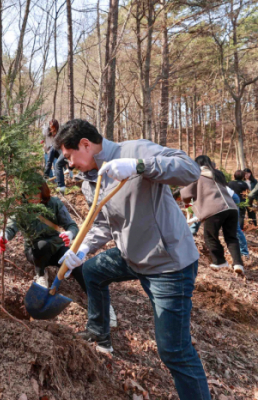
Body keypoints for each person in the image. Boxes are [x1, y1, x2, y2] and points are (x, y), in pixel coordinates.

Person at [52, 119, 210, 399]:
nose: (70, 164)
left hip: (167, 264)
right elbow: (101, 224)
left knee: (174, 351)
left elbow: (190, 169)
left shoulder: (135, 150)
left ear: (85, 145)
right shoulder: (91, 180)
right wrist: (82, 249)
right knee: (91, 271)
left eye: (69, 156)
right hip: (131, 255)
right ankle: (99, 332)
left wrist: (140, 166)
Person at [181, 156, 244, 275]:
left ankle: (220, 262)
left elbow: (185, 195)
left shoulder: (197, 175)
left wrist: (185, 200)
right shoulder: (218, 174)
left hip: (214, 209)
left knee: (210, 236)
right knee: (231, 237)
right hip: (231, 208)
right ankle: (238, 264)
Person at [44, 121, 72, 193]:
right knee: (55, 162)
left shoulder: (59, 134)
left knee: (58, 165)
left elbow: (49, 162)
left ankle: (61, 187)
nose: (51, 128)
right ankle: (47, 176)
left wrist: (45, 176)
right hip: (62, 151)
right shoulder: (51, 134)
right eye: (50, 126)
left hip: (65, 151)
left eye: (52, 126)